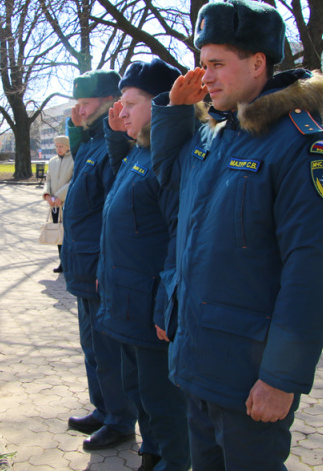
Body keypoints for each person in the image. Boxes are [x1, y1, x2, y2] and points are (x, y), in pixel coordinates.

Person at [150, 0, 323, 469]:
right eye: (203, 64)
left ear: (258, 62)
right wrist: (175, 113)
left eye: (218, 64)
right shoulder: (214, 134)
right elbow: (169, 191)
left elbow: (314, 270)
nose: (207, 77)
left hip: (250, 377)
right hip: (198, 363)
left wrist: (282, 377)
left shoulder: (303, 146)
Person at [97, 58, 190, 471]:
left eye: (132, 103)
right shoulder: (142, 150)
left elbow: (178, 237)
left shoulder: (170, 157)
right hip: (128, 300)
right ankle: (151, 455)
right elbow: (120, 202)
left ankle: (170, 459)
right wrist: (119, 135)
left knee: (163, 401)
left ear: (163, 105)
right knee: (140, 390)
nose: (121, 111)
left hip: (152, 307)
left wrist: (164, 305)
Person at [61, 69, 138, 450]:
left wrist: (105, 267)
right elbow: (81, 157)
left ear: (110, 102)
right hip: (80, 263)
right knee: (92, 346)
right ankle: (103, 408)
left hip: (96, 268)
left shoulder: (114, 145)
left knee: (109, 351)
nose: (80, 107)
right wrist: (76, 127)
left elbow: (114, 211)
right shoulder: (93, 141)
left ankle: (121, 420)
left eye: (87, 102)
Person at [43, 135, 74, 273]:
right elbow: (48, 179)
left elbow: (73, 181)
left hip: (67, 203)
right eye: (56, 146)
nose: (58, 149)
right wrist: (47, 195)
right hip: (55, 205)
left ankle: (70, 263)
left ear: (68, 146)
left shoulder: (74, 160)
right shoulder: (52, 161)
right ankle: (62, 262)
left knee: (68, 234)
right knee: (58, 234)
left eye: (61, 146)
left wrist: (60, 196)